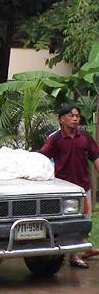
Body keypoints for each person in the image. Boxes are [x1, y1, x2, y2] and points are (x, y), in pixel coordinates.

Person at [39, 105, 99, 269]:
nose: (75, 119)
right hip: (64, 190)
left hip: (83, 187)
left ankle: (79, 251)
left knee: (84, 220)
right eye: (71, 116)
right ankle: (74, 254)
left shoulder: (85, 137)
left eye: (77, 116)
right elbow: (42, 158)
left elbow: (96, 157)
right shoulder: (56, 139)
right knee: (67, 221)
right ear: (61, 119)